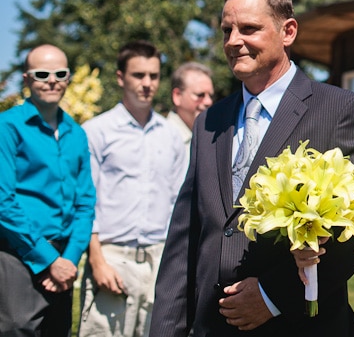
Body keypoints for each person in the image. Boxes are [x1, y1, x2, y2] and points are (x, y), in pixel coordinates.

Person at [149, 0, 354, 336]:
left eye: (249, 29)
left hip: (295, 324)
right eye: (227, 30)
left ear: (287, 31)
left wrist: (273, 296)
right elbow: (187, 237)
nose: (233, 41)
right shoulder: (209, 121)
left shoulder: (338, 109)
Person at [78, 40, 189, 337]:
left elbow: (179, 206)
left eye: (153, 76)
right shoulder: (95, 131)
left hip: (159, 260)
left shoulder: (172, 136)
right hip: (112, 258)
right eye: (138, 75)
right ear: (120, 78)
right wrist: (97, 261)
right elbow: (85, 203)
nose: (147, 84)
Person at [0, 44, 96, 336]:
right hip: (17, 253)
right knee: (17, 330)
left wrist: (69, 257)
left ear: (68, 78)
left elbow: (85, 202)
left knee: (58, 331)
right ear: (27, 79)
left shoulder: (77, 133)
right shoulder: (7, 126)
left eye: (60, 73)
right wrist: (47, 259)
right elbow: (3, 201)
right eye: (42, 73)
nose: (52, 79)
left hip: (63, 260)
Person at [168, 61, 214, 145]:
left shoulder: (208, 137)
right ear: (177, 96)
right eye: (200, 95)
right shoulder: (163, 139)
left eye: (210, 96)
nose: (209, 102)